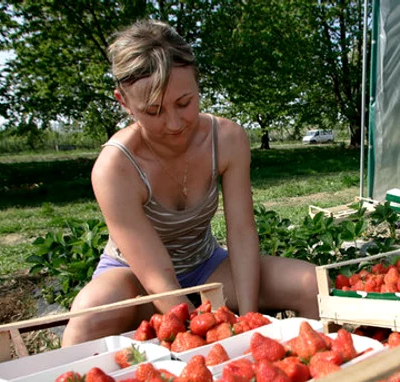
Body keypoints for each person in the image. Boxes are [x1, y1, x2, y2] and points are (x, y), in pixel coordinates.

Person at [61, 20, 319, 346]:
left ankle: (325, 381)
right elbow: (157, 277)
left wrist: (249, 322)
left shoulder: (227, 139)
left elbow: (241, 231)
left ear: (198, 83)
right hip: (135, 278)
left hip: (206, 267)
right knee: (85, 321)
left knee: (310, 283)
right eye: (153, 111)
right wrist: (199, 338)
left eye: (184, 103)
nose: (173, 123)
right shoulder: (115, 168)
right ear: (123, 102)